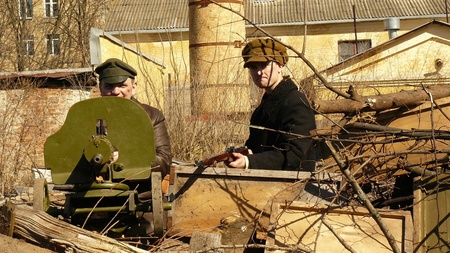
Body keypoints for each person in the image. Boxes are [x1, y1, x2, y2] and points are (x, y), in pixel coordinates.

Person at [228, 38, 317, 171]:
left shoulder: (295, 102)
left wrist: (249, 161)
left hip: (295, 186)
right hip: (267, 185)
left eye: (264, 65)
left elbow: (296, 155)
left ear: (280, 65)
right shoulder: (261, 110)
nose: (259, 72)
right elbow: (256, 148)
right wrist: (240, 155)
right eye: (253, 67)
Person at [94, 58, 173, 178]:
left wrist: (124, 159)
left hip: (140, 194)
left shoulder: (152, 116)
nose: (116, 91)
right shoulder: (88, 118)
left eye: (122, 85)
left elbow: (164, 162)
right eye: (109, 86)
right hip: (94, 193)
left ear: (134, 87)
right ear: (100, 88)